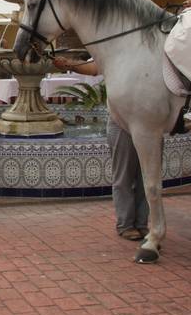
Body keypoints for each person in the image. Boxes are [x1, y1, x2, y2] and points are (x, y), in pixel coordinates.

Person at [53, 56, 148, 240]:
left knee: (147, 177)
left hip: (148, 121)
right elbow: (94, 67)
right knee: (124, 175)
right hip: (121, 120)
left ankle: (143, 223)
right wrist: (69, 64)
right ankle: (126, 224)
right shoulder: (117, 51)